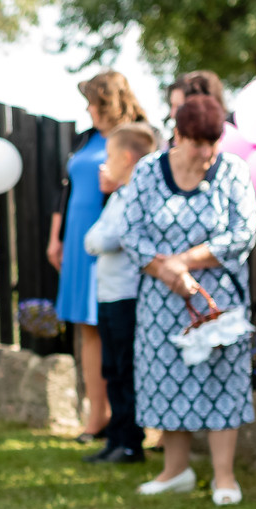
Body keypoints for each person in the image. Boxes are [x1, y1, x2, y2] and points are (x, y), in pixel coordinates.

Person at [119, 90, 256, 502]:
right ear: (178, 136)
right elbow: (131, 233)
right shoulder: (147, 172)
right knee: (165, 377)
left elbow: (242, 232)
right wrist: (165, 270)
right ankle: (175, 470)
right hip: (161, 299)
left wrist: (183, 262)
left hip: (218, 299)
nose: (207, 152)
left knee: (223, 378)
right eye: (199, 142)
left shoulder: (233, 170)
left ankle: (224, 476)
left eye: (214, 142)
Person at [50, 71, 147, 440]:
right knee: (87, 327)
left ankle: (130, 418)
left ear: (108, 102)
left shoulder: (138, 135)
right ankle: (97, 416)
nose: (87, 108)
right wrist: (55, 236)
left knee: (115, 326)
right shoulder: (86, 137)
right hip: (78, 237)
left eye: (92, 101)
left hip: (111, 236)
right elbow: (65, 186)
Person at [80, 120, 160, 464]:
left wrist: (97, 241)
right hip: (109, 294)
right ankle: (115, 437)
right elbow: (93, 236)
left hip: (127, 295)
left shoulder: (135, 196)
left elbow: (108, 238)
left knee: (126, 370)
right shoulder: (118, 196)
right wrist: (96, 241)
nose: (104, 163)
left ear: (127, 158)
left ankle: (130, 442)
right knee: (111, 368)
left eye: (109, 155)